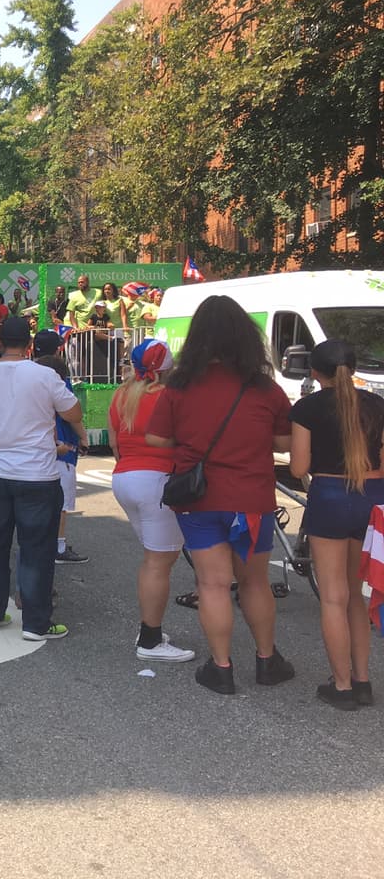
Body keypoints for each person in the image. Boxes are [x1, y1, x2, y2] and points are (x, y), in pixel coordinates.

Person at [145, 294, 294, 696]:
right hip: (253, 500)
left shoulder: (179, 386)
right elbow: (284, 442)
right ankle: (267, 661)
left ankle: (222, 668)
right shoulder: (265, 388)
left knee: (212, 585)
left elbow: (156, 436)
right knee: (255, 583)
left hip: (198, 500)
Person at [0, 317, 82, 641]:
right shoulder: (44, 375)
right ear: (29, 345)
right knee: (36, 550)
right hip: (37, 475)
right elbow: (73, 412)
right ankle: (35, 623)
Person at [289, 339, 383, 710]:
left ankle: (340, 685)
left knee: (332, 597)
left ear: (315, 372)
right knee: (356, 598)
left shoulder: (307, 408)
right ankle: (363, 681)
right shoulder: (377, 405)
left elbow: (297, 468)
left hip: (328, 496)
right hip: (371, 497)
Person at [108, 340, 195, 663]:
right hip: (157, 481)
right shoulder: (170, 396)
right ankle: (150, 638)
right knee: (158, 563)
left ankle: (150, 629)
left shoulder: (121, 394)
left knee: (154, 560)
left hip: (125, 478)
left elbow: (116, 443)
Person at [33, 331, 88, 565]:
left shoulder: (29, 374)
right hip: (61, 446)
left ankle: (41, 544)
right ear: (57, 350)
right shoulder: (58, 377)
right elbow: (72, 415)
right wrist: (84, 438)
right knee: (62, 503)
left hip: (35, 448)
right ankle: (59, 547)